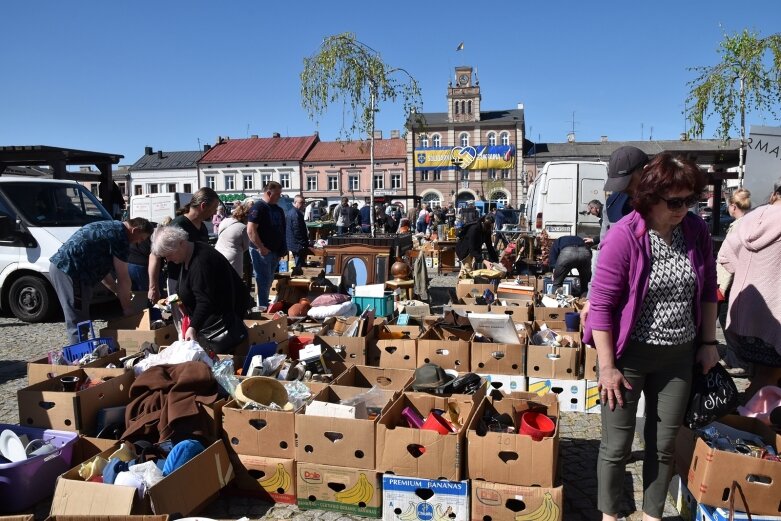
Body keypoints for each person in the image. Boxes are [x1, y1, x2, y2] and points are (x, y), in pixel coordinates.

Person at [583, 153, 719, 521]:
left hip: (678, 356)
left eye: (690, 201)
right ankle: (610, 515)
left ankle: (652, 515)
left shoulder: (695, 232)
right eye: (675, 202)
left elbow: (708, 289)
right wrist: (607, 367)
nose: (684, 209)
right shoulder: (624, 236)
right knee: (616, 446)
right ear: (650, 197)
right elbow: (601, 307)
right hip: (629, 357)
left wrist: (709, 343)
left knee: (663, 445)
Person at [718, 179, 781, 400]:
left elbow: (725, 257)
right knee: (768, 381)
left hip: (744, 310)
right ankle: (751, 418)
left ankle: (748, 415)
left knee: (760, 377)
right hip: (774, 314)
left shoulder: (752, 218)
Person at [151, 226, 253, 353]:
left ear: (181, 243)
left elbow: (205, 300)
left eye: (169, 254)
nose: (168, 260)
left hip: (222, 325)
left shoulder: (200, 262)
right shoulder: (189, 253)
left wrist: (193, 327)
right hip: (213, 322)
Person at [49, 217, 153, 343]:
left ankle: (83, 351)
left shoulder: (112, 227)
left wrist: (116, 291)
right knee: (77, 321)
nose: (138, 243)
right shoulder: (120, 237)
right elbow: (123, 278)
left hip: (68, 269)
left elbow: (103, 271)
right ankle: (81, 357)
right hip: (71, 271)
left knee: (80, 317)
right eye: (141, 238)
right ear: (135, 230)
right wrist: (128, 309)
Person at [148, 188, 219, 302]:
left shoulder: (202, 227)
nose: (215, 212)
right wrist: (153, 287)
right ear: (203, 206)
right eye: (214, 208)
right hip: (178, 282)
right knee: (183, 319)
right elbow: (155, 255)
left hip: (197, 282)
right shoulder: (178, 225)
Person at [715, 187, 751, 374]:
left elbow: (729, 259)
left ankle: (737, 360)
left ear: (733, 206)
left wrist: (722, 286)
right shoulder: (751, 223)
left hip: (730, 282)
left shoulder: (737, 227)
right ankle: (735, 357)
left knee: (727, 320)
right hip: (743, 280)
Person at [247, 181, 286, 309]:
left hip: (274, 251)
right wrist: (260, 247)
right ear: (269, 193)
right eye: (278, 194)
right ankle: (263, 307)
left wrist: (281, 250)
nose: (280, 196)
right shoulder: (259, 207)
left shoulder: (278, 210)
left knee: (268, 280)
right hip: (262, 251)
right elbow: (251, 229)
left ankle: (265, 305)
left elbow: (281, 230)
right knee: (263, 280)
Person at [215, 200, 251, 276]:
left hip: (218, 253)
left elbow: (219, 234)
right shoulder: (243, 228)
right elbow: (246, 246)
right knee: (234, 281)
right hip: (233, 257)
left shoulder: (224, 221)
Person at [286, 194, 310, 270]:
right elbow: (297, 231)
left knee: (299, 264)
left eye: (304, 202)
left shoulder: (292, 212)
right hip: (297, 244)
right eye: (301, 202)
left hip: (295, 243)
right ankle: (298, 280)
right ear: (295, 202)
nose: (303, 204)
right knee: (299, 266)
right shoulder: (295, 214)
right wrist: (303, 243)